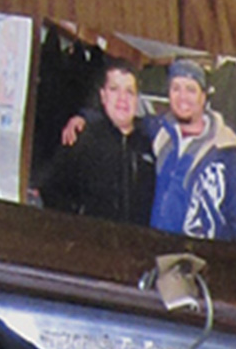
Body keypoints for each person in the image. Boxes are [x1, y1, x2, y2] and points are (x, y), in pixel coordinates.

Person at [149, 56, 236, 247]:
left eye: (191, 89)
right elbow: (123, 121)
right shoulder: (158, 134)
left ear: (203, 97)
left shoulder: (231, 155)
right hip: (155, 252)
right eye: (176, 88)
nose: (182, 97)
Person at [35, 58, 154, 224]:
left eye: (129, 92)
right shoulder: (81, 139)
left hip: (133, 246)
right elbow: (51, 193)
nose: (122, 99)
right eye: (114, 89)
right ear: (103, 96)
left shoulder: (149, 146)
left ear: (137, 99)